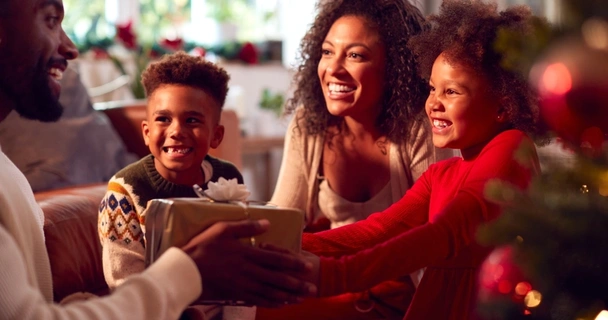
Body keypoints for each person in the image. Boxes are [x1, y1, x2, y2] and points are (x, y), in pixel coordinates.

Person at [0, 1, 315, 319]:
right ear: (147, 132)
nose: (70, 47)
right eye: (51, 19)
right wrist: (189, 273)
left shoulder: (8, 174)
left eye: (193, 121)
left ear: (215, 135)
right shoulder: (126, 190)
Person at [299, 0, 546, 319]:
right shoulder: (441, 174)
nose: (433, 104)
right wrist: (286, 243)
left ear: (504, 107)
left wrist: (334, 276)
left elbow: (444, 233)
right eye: (432, 89)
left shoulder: (512, 147)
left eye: (452, 92)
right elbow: (375, 231)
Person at [262, 0, 454, 318]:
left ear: (395, 65)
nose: (333, 69)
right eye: (326, 52)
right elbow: (283, 218)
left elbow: (434, 238)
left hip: (405, 293)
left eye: (355, 55)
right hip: (334, 282)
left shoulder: (422, 126)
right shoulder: (309, 124)